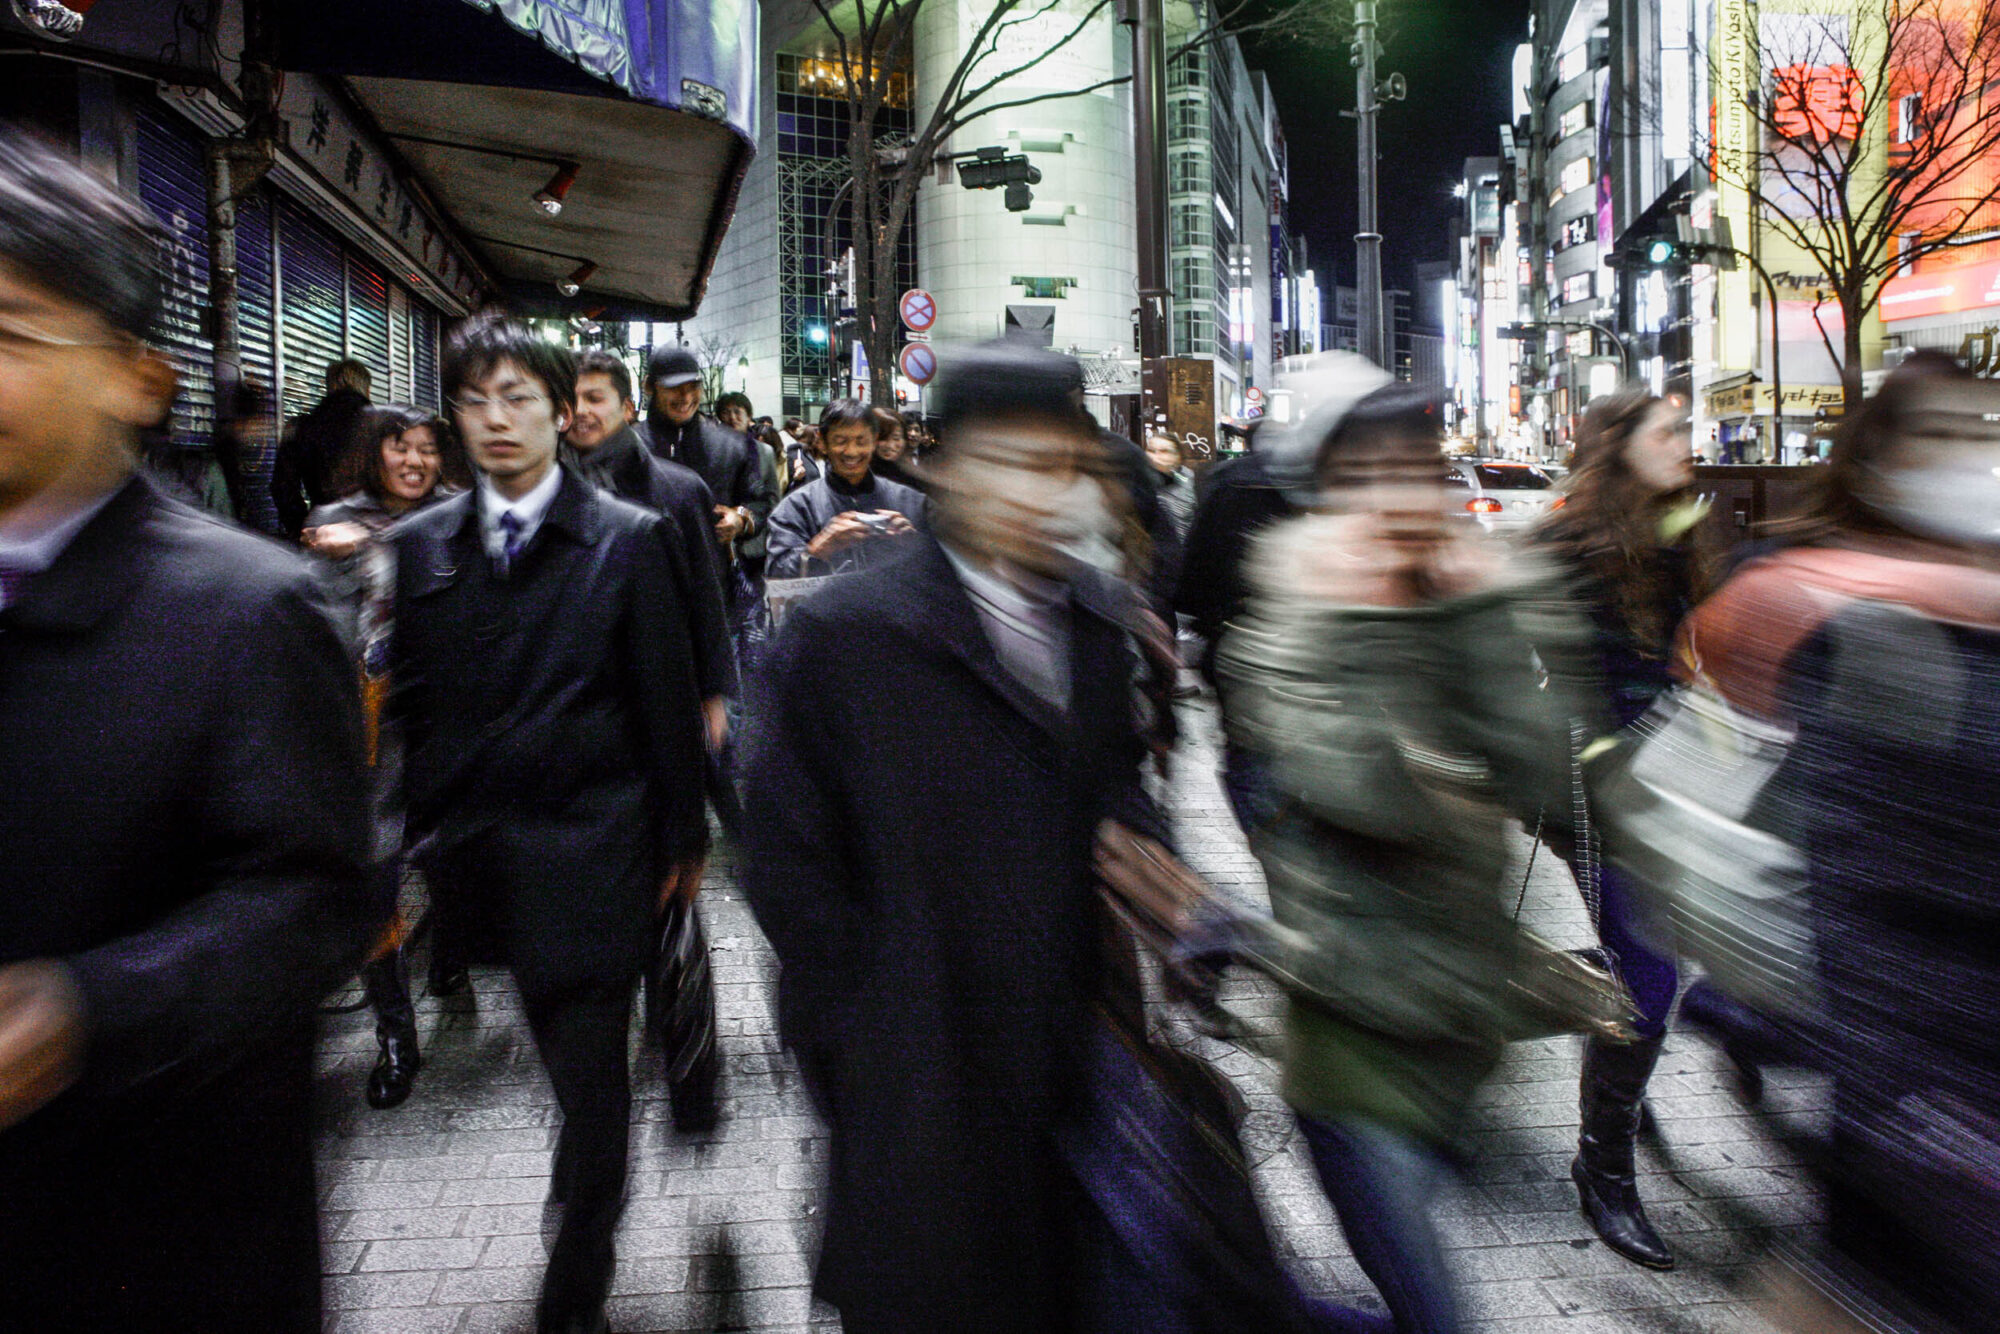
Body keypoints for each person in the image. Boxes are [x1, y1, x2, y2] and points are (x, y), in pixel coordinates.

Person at [0, 128, 376, 1331]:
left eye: (11, 332)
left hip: (162, 1240)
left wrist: (84, 1010)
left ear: (139, 378)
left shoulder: (246, 608)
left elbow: (318, 900)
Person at [740, 343, 1184, 1332]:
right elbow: (785, 862)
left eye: (1059, 463)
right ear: (947, 468)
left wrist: (1147, 857)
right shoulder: (849, 634)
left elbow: (1114, 782)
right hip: (912, 1078)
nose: (1036, 491)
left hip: (1061, 1066)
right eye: (1007, 461)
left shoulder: (1091, 621)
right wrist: (855, 1040)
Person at [1218, 380, 1613, 1334]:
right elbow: (1360, 787)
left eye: (1418, 470)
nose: (1400, 497)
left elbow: (1538, 768)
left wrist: (1478, 614)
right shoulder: (1287, 619)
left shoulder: (1471, 603)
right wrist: (1394, 636)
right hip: (1350, 1026)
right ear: (1331, 493)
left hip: (1461, 1024)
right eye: (1370, 475)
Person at [386, 315, 706, 1334]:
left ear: (561, 412)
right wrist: (414, 837)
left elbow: (666, 705)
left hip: (600, 853)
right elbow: (412, 708)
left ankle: (574, 1281)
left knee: (592, 1079)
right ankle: (583, 1191)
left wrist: (683, 842)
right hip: (484, 866)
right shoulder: (421, 547)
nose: (497, 418)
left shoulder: (629, 540)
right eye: (475, 399)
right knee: (572, 1072)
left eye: (518, 397)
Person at [1674, 357, 2000, 1333]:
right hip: (1924, 1092)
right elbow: (1861, 884)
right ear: (1879, 461)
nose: (1976, 458)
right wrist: (1895, 1095)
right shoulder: (1854, 624)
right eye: (1944, 433)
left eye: (1988, 432)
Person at [1530, 389, 1709, 1271]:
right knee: (1649, 972)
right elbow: (1531, 669)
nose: (1685, 443)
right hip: (1593, 795)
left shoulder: (1679, 530)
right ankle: (1603, 1168)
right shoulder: (1569, 546)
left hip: (1671, 783)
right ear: (1618, 447)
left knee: (1659, 967)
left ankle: (1626, 1061)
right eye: (1666, 432)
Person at [300, 405, 462, 1110]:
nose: (415, 462)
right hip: (369, 727)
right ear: (375, 453)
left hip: (448, 722)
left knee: (450, 854)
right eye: (401, 447)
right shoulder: (332, 522)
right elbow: (314, 626)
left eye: (427, 449)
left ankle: (452, 951)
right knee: (378, 876)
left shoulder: (460, 515)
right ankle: (396, 1034)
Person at [564, 347, 737, 752]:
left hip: (663, 681)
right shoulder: (544, 488)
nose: (581, 411)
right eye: (571, 399)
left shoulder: (680, 489)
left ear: (627, 407)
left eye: (594, 398)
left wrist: (714, 691)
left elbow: (706, 597)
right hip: (573, 692)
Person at [638, 346, 774, 570]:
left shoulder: (731, 446)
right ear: (649, 386)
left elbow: (759, 504)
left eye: (693, 387)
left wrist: (740, 520)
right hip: (644, 574)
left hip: (712, 575)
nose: (686, 397)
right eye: (674, 388)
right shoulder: (630, 446)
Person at [766, 398, 926, 579]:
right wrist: (818, 549)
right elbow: (777, 575)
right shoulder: (796, 508)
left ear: (874, 441)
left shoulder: (912, 502)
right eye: (841, 441)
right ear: (822, 442)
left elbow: (940, 572)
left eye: (861, 441)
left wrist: (915, 544)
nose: (852, 451)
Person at [272, 356, 372, 538]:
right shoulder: (384, 427)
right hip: (373, 533)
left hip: (321, 532)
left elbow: (282, 486)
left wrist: (302, 529)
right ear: (366, 389)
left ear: (330, 387)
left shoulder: (301, 427)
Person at [1147, 432, 1196, 542]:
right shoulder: (1139, 481)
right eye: (1151, 451)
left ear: (1177, 457)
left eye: (1164, 451)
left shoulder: (1192, 483)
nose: (1155, 457)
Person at [871, 403, 920, 488]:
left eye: (896, 438)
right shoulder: (861, 474)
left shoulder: (911, 474)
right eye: (883, 438)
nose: (890, 445)